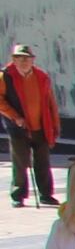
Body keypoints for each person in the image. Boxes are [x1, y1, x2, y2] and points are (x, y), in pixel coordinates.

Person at [0, 39, 54, 204]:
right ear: (14, 59)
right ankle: (18, 196)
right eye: (20, 58)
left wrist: (53, 123)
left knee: (43, 161)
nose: (23, 61)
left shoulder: (41, 76)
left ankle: (46, 194)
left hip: (40, 125)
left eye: (27, 58)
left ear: (32, 59)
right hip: (18, 126)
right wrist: (15, 116)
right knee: (20, 162)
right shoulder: (5, 77)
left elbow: (49, 101)